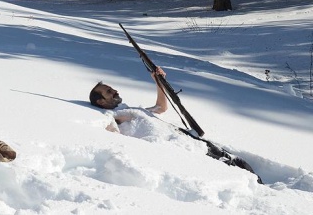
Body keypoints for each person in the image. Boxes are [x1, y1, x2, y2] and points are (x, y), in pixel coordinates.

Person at [89, 67, 263, 184]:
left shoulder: (131, 109)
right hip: (182, 148)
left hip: (189, 140)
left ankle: (263, 189)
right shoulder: (115, 116)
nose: (115, 91)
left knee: (240, 164)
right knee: (235, 172)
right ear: (101, 102)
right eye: (109, 92)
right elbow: (112, 135)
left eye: (112, 89)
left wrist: (159, 82)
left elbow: (161, 108)